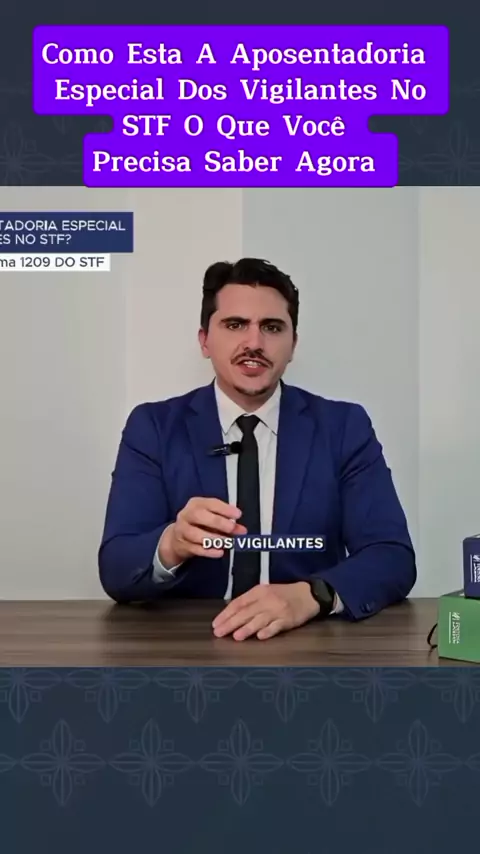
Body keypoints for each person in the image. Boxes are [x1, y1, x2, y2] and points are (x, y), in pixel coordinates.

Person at [98, 257, 416, 641]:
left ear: (293, 344)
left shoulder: (344, 427)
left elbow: (392, 556)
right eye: (235, 325)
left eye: (272, 327)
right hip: (185, 646)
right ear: (204, 340)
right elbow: (116, 568)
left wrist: (312, 595)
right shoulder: (153, 427)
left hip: (309, 645)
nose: (254, 343)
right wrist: (172, 544)